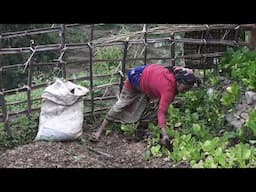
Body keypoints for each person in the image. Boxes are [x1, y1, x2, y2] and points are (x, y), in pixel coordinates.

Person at [90, 63, 199, 149]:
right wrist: (164, 134)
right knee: (121, 105)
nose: (185, 91)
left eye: (188, 89)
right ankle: (99, 131)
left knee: (152, 108)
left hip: (149, 76)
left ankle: (140, 130)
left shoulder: (178, 73)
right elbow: (162, 112)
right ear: (178, 83)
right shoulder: (168, 90)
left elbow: (184, 70)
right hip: (137, 76)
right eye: (185, 89)